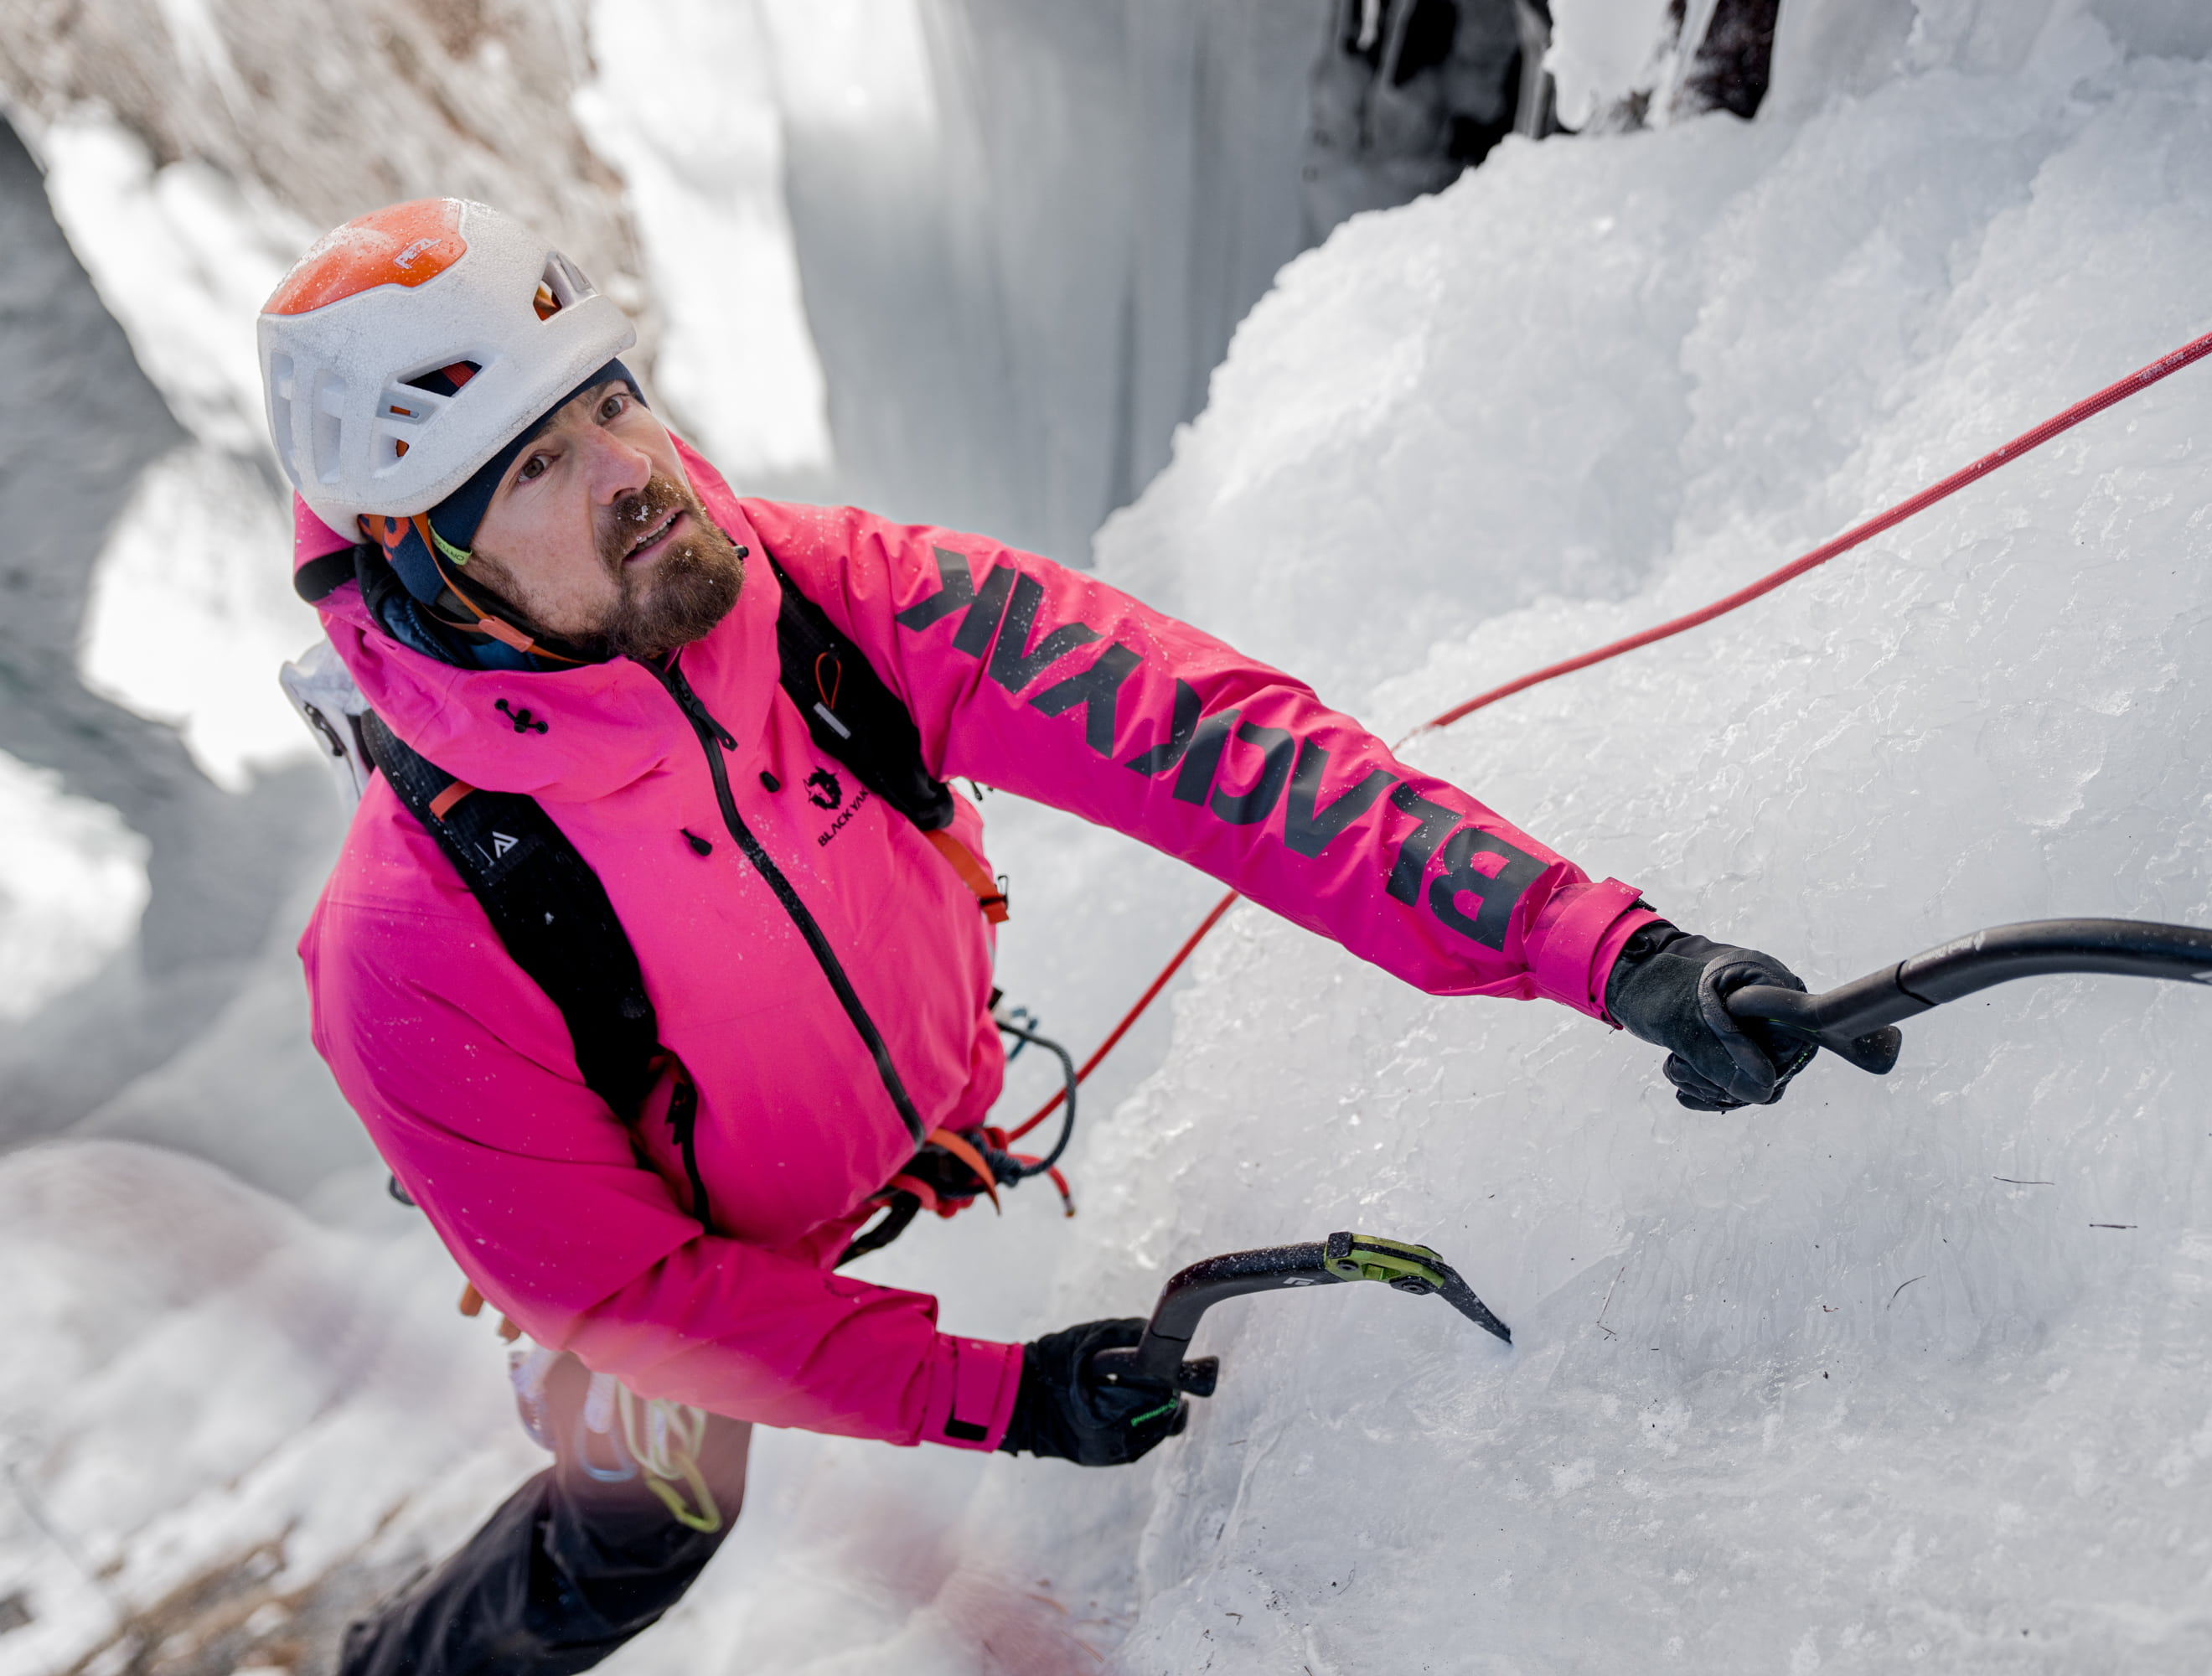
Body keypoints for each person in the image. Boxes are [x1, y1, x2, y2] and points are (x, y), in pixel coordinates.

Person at [266, 199, 1814, 1675]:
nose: (631, 469)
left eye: (613, 400)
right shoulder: (411, 939)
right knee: (653, 1521)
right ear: (425, 557)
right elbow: (636, 1300)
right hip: (699, 1257)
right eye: (540, 462)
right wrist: (992, 1398)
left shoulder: (834, 606)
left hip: (914, 1104)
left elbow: (1215, 750)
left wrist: (1607, 948)